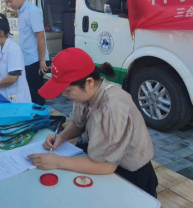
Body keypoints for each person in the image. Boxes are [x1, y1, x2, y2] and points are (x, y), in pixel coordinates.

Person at [28, 48, 158, 198]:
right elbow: (78, 124)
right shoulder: (84, 95)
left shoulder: (113, 107)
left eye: (68, 90)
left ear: (89, 82)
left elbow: (106, 166)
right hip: (100, 159)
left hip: (130, 175)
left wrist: (58, 161)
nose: (64, 95)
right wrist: (61, 137)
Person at [2, 0, 49, 106]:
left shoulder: (31, 11)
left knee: (37, 93)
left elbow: (40, 36)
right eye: (7, 2)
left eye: (10, 1)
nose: (9, 5)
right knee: (30, 91)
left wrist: (42, 61)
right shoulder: (21, 11)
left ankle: (40, 118)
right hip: (27, 58)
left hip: (35, 59)